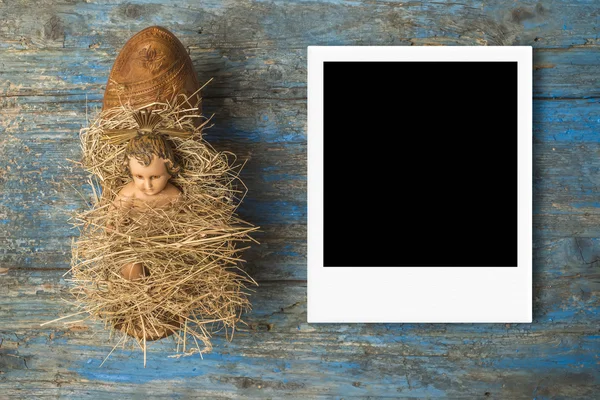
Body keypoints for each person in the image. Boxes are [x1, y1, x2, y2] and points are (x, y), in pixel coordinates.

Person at [111, 132, 182, 280]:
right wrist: (114, 226)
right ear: (130, 172)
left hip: (166, 244)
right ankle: (138, 291)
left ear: (170, 171)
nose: (147, 185)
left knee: (173, 270)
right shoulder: (130, 193)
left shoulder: (173, 195)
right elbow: (114, 214)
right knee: (131, 267)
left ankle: (162, 291)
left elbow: (185, 217)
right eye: (139, 177)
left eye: (155, 177)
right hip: (134, 242)